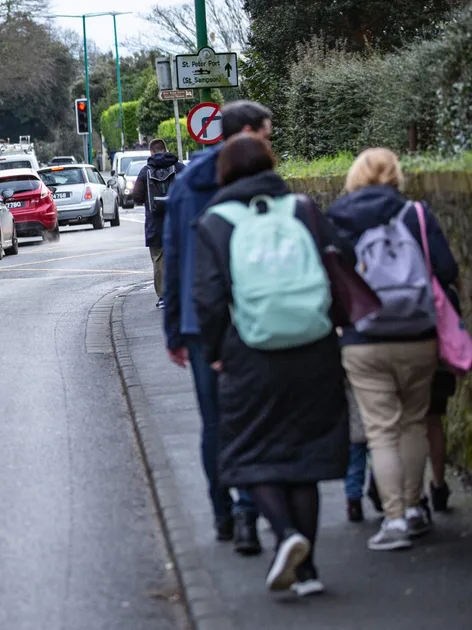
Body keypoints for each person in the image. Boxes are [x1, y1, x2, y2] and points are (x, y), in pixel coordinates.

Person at [194, 134, 350, 596]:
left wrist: (215, 352)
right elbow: (341, 262)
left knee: (252, 454)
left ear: (225, 172)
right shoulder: (302, 209)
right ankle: (308, 572)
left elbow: (208, 299)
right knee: (304, 456)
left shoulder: (215, 222)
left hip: (250, 353)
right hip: (314, 348)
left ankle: (285, 535)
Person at [326, 148, 459, 551]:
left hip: (362, 340)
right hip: (418, 335)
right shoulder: (415, 214)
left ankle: (395, 518)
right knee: (413, 424)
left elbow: (327, 279)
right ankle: (415, 508)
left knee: (381, 431)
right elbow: (447, 270)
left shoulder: (337, 218)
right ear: (395, 175)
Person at [161, 101, 275, 555]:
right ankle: (249, 510)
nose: (269, 142)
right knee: (258, 418)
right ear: (247, 133)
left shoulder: (188, 181)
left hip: (198, 320)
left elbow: (174, 255)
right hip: (254, 314)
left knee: (215, 423)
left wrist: (174, 328)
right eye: (266, 134)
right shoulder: (260, 182)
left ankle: (224, 513)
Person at [133, 138, 184, 309]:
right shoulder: (179, 167)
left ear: (151, 152)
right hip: (178, 222)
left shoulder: (145, 171)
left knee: (159, 261)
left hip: (155, 225)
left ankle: (163, 297)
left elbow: (136, 196)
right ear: (165, 149)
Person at [344, 384, 368, 523]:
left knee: (353, 465)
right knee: (380, 457)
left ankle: (354, 502)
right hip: (375, 424)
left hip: (352, 426)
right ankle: (380, 490)